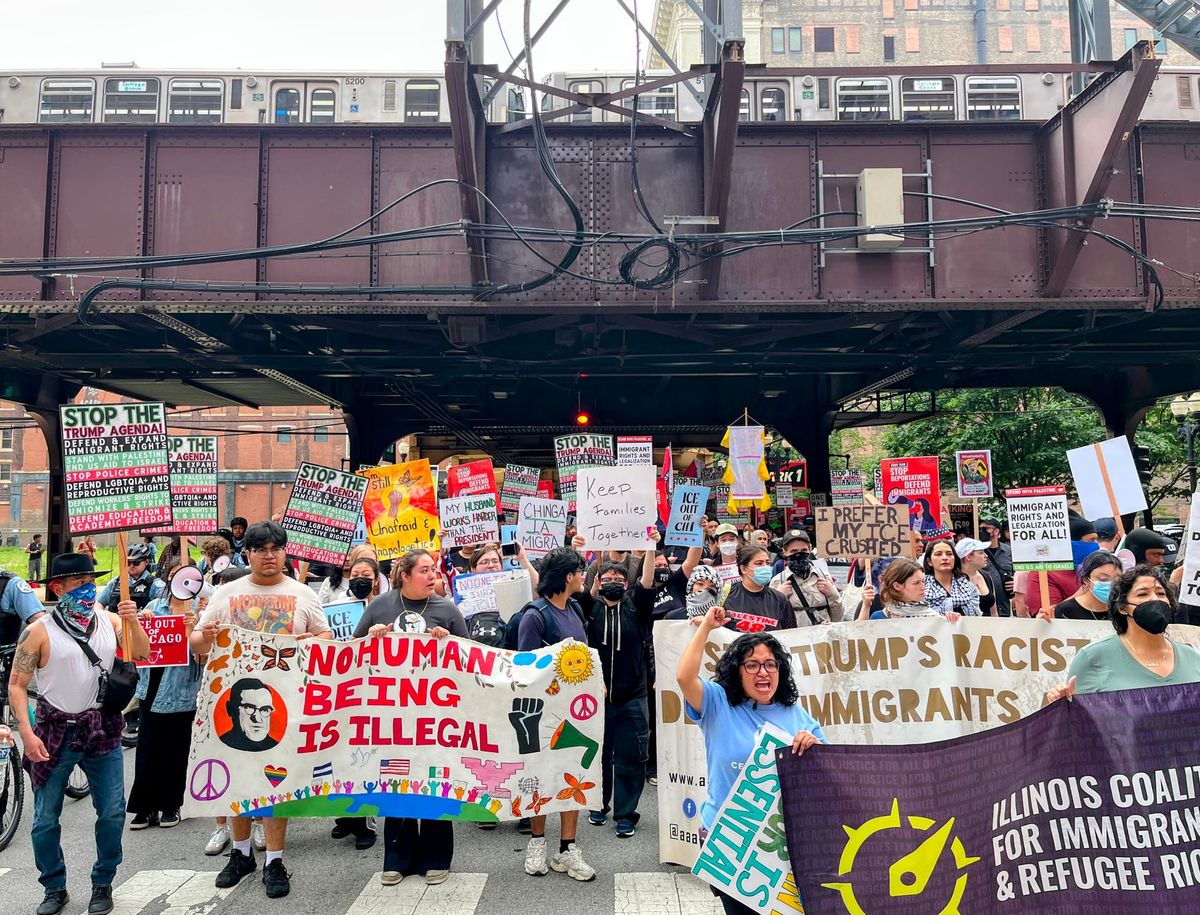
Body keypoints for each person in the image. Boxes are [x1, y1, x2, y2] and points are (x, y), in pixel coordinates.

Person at [190, 521, 332, 900]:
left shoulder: (303, 594)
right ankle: (240, 855)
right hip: (231, 705)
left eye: (275, 549)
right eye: (260, 549)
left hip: (284, 705)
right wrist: (208, 634)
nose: (269, 556)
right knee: (237, 780)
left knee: (276, 783)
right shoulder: (226, 593)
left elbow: (326, 637)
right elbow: (197, 644)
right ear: (247, 554)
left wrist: (310, 640)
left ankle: (274, 860)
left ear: (285, 553)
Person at [10, 553, 150, 915]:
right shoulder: (38, 632)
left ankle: (103, 880)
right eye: (78, 584)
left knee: (113, 812)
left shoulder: (109, 620)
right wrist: (27, 733)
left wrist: (133, 622)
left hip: (102, 730)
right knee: (44, 819)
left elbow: (144, 652)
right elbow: (17, 686)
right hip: (54, 732)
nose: (88, 590)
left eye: (91, 583)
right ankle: (54, 887)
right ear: (58, 588)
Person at [675, 603, 825, 915]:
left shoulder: (796, 714)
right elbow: (684, 677)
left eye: (771, 665)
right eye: (753, 665)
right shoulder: (717, 703)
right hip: (728, 838)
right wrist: (706, 627)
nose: (763, 673)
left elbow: (825, 771)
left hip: (780, 841)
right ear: (736, 670)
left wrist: (812, 746)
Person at [353, 549, 467, 887]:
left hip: (435, 716)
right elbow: (350, 653)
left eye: (434, 570)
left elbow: (472, 656)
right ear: (404, 575)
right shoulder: (380, 606)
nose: (432, 576)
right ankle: (397, 858)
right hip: (393, 716)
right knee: (396, 780)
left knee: (433, 783)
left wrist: (450, 644)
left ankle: (436, 857)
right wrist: (372, 639)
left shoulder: (447, 609)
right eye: (424, 570)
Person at [516, 546, 595, 882]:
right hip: (542, 715)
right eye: (580, 571)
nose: (584, 577)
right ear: (568, 576)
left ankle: (567, 849)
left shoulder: (574, 608)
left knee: (571, 778)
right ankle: (537, 843)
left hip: (575, 712)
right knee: (540, 780)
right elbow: (524, 669)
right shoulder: (535, 616)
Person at [580, 538, 656, 839]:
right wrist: (582, 550)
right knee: (598, 754)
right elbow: (580, 585)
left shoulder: (637, 607)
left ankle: (625, 813)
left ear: (627, 584)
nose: (613, 582)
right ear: (598, 582)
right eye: (607, 579)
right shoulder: (589, 608)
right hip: (597, 698)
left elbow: (647, 579)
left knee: (630, 756)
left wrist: (650, 547)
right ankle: (598, 804)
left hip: (632, 696)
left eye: (618, 579)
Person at [1046, 564, 1200, 701]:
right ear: (1122, 607)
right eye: (1142, 594)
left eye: (1161, 593)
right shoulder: (1093, 658)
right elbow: (1079, 724)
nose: (1155, 599)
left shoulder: (1193, 658)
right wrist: (1061, 706)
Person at [126, 564, 202, 831]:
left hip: (182, 690)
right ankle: (144, 807)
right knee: (147, 748)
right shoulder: (155, 606)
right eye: (174, 576)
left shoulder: (200, 610)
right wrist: (137, 621)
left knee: (176, 748)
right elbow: (136, 649)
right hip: (152, 685)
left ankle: (171, 803)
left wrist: (193, 630)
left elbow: (203, 654)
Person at [199, 564, 252, 859]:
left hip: (263, 700)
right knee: (227, 770)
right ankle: (225, 829)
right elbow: (198, 648)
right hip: (224, 698)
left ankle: (259, 825)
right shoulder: (219, 607)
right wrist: (202, 634)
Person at [1025, 517, 1098, 618]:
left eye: (1096, 540)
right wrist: (1083, 592)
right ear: (1071, 543)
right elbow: (1048, 617)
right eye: (1091, 540)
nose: (1096, 545)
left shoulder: (1095, 568)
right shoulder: (1042, 574)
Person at [768, 530, 842, 626]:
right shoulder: (778, 581)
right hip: (795, 638)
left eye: (804, 550)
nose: (799, 554)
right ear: (785, 552)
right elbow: (772, 621)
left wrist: (833, 595)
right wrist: (779, 598)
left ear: (810, 549)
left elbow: (838, 617)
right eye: (793, 551)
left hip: (823, 637)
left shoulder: (823, 576)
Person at [720, 544, 797, 632]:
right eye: (759, 563)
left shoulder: (780, 599)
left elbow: (791, 633)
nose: (765, 567)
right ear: (744, 569)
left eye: (767, 563)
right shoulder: (725, 595)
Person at [1053, 550, 1123, 621]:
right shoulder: (1065, 610)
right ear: (1086, 580)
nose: (1111, 584)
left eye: (1117, 580)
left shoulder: (1124, 610)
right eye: (1103, 579)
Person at [98, 543, 165, 613]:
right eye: (128, 562)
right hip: (116, 622)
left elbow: (167, 605)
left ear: (147, 562)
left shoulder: (155, 584)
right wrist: (102, 614)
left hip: (140, 622)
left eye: (136, 562)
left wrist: (151, 612)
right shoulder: (115, 582)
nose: (131, 566)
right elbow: (99, 602)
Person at [923, 539, 980, 617]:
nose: (945, 558)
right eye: (938, 554)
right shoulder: (922, 588)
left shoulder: (969, 588)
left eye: (949, 554)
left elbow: (976, 618)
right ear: (929, 561)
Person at [871, 558, 937, 620]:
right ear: (897, 586)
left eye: (923, 581)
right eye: (916, 583)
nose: (923, 587)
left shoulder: (934, 618)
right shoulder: (879, 618)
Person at [978, 517, 1014, 617]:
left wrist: (1016, 582)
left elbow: (1018, 572)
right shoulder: (976, 552)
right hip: (986, 609)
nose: (982, 531)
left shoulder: (1009, 551)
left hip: (1007, 606)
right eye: (980, 528)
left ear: (996, 531)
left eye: (986, 528)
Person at [955, 538, 996, 616]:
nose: (986, 555)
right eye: (981, 552)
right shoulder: (954, 580)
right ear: (968, 556)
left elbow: (994, 612)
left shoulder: (986, 576)